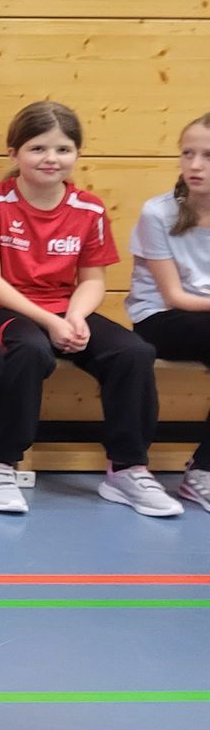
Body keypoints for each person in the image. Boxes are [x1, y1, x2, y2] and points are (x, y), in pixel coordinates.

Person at [0, 100, 181, 517]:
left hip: (63, 306)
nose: (51, 158)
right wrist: (49, 321)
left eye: (63, 149)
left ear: (77, 153)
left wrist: (75, 317)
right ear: (14, 153)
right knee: (29, 349)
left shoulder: (89, 208)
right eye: (38, 148)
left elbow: (92, 280)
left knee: (132, 352)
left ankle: (127, 469)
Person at [129, 112, 210, 512]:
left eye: (208, 156)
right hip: (160, 318)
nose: (195, 165)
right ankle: (203, 472)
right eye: (188, 154)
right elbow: (174, 296)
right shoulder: (158, 213)